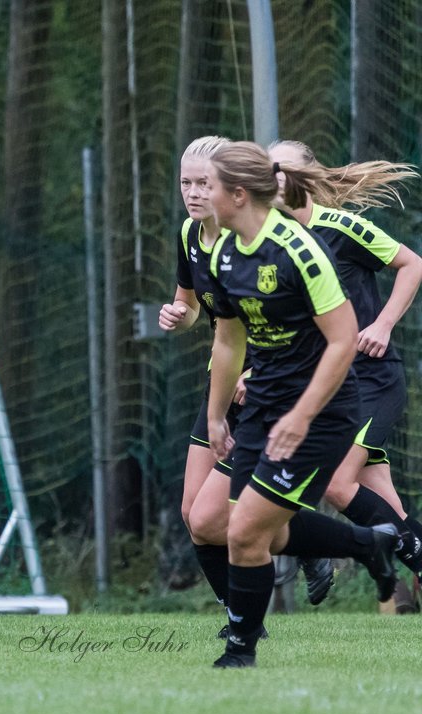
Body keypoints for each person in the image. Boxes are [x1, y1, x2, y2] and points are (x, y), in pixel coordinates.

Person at [201, 141, 398, 668]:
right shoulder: (223, 254)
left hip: (321, 412)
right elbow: (227, 341)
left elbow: (343, 339)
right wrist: (218, 415)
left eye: (210, 185)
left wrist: (303, 415)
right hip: (265, 406)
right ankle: (366, 544)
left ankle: (240, 652)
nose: (201, 193)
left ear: (238, 194)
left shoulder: (298, 250)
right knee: (250, 529)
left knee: (245, 532)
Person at [159, 136, 310, 628]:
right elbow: (198, 313)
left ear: (230, 186)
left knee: (215, 517)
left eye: (205, 182)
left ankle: (248, 618)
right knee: (193, 514)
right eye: (187, 182)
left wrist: (254, 368)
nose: (194, 192)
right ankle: (245, 613)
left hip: (266, 382)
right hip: (222, 384)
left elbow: (276, 320)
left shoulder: (250, 237)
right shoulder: (189, 234)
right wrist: (177, 315)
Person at [268, 140, 422, 614]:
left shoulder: (340, 227)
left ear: (305, 180)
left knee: (336, 482)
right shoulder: (272, 242)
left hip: (374, 381)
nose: (272, 181)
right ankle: (405, 588)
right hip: (334, 387)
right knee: (384, 500)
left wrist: (383, 324)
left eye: (282, 172)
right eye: (267, 171)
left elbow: (412, 263)